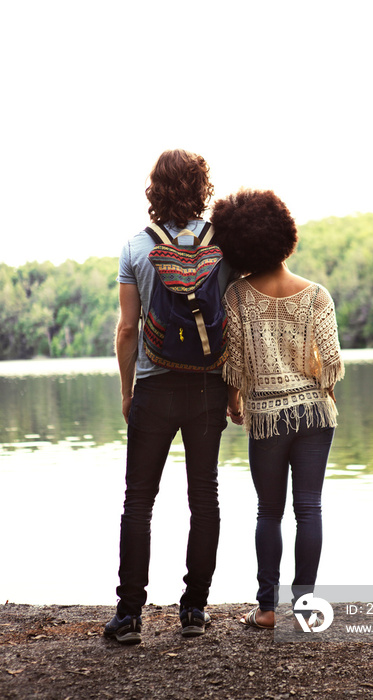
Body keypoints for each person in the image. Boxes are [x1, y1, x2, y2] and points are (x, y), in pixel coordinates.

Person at [104, 149, 231, 643]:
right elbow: (233, 324)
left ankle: (129, 615)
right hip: (207, 388)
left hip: (153, 387)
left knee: (139, 500)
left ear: (153, 190)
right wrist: (234, 392)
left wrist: (126, 389)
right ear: (203, 188)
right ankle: (195, 609)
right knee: (204, 497)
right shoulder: (222, 246)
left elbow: (126, 330)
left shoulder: (136, 247)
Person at [211, 189, 345, 629]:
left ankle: (267, 609)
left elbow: (235, 365)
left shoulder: (237, 297)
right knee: (309, 508)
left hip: (267, 417)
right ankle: (305, 609)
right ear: (284, 235)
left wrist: (234, 404)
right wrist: (321, 399)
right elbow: (329, 366)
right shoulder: (317, 295)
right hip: (313, 414)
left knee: (268, 510)